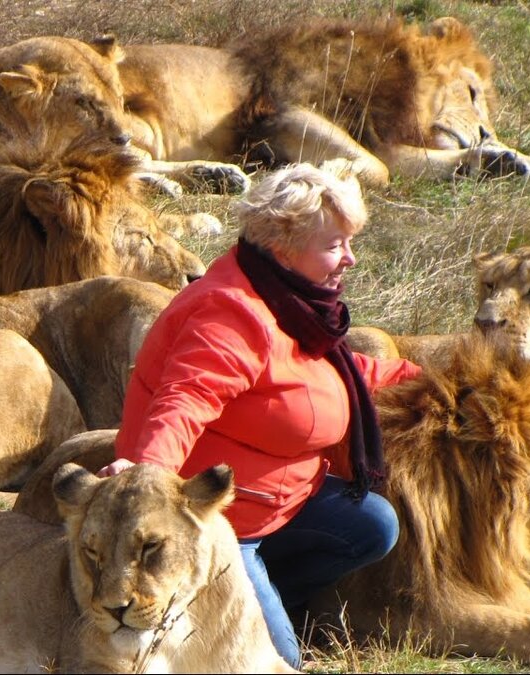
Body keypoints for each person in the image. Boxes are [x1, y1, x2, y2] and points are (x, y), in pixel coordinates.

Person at [98, 160, 422, 668]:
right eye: (335, 245)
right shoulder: (230, 312)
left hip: (283, 505)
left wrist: (427, 377)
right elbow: (185, 398)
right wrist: (149, 471)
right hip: (225, 525)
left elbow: (330, 374)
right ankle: (217, 593)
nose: (350, 259)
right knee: (277, 664)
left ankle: (269, 590)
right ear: (284, 245)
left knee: (373, 524)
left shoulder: (288, 300)